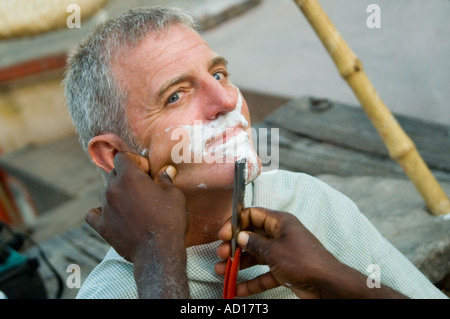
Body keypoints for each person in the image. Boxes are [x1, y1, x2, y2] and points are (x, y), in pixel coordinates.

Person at [63, 7, 446, 299]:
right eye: (176, 96)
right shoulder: (111, 291)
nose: (226, 100)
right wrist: (157, 258)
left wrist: (337, 280)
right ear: (115, 155)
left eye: (218, 75)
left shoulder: (307, 202)